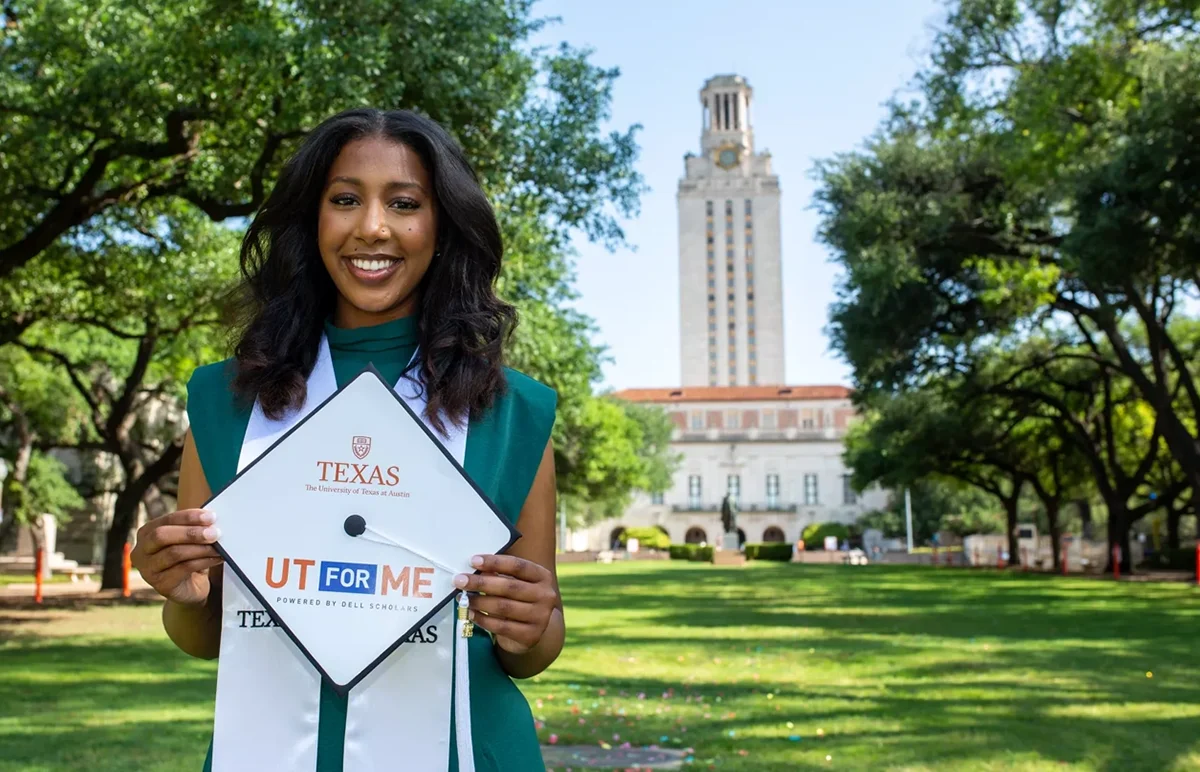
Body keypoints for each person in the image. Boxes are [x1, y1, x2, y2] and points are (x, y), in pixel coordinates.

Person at [130, 108, 563, 771]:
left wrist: (532, 623)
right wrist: (184, 593)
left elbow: (532, 648)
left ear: (442, 226)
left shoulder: (510, 410)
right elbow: (202, 637)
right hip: (268, 748)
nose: (372, 227)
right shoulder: (225, 402)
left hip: (464, 751)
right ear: (313, 219)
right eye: (344, 200)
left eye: (404, 203)